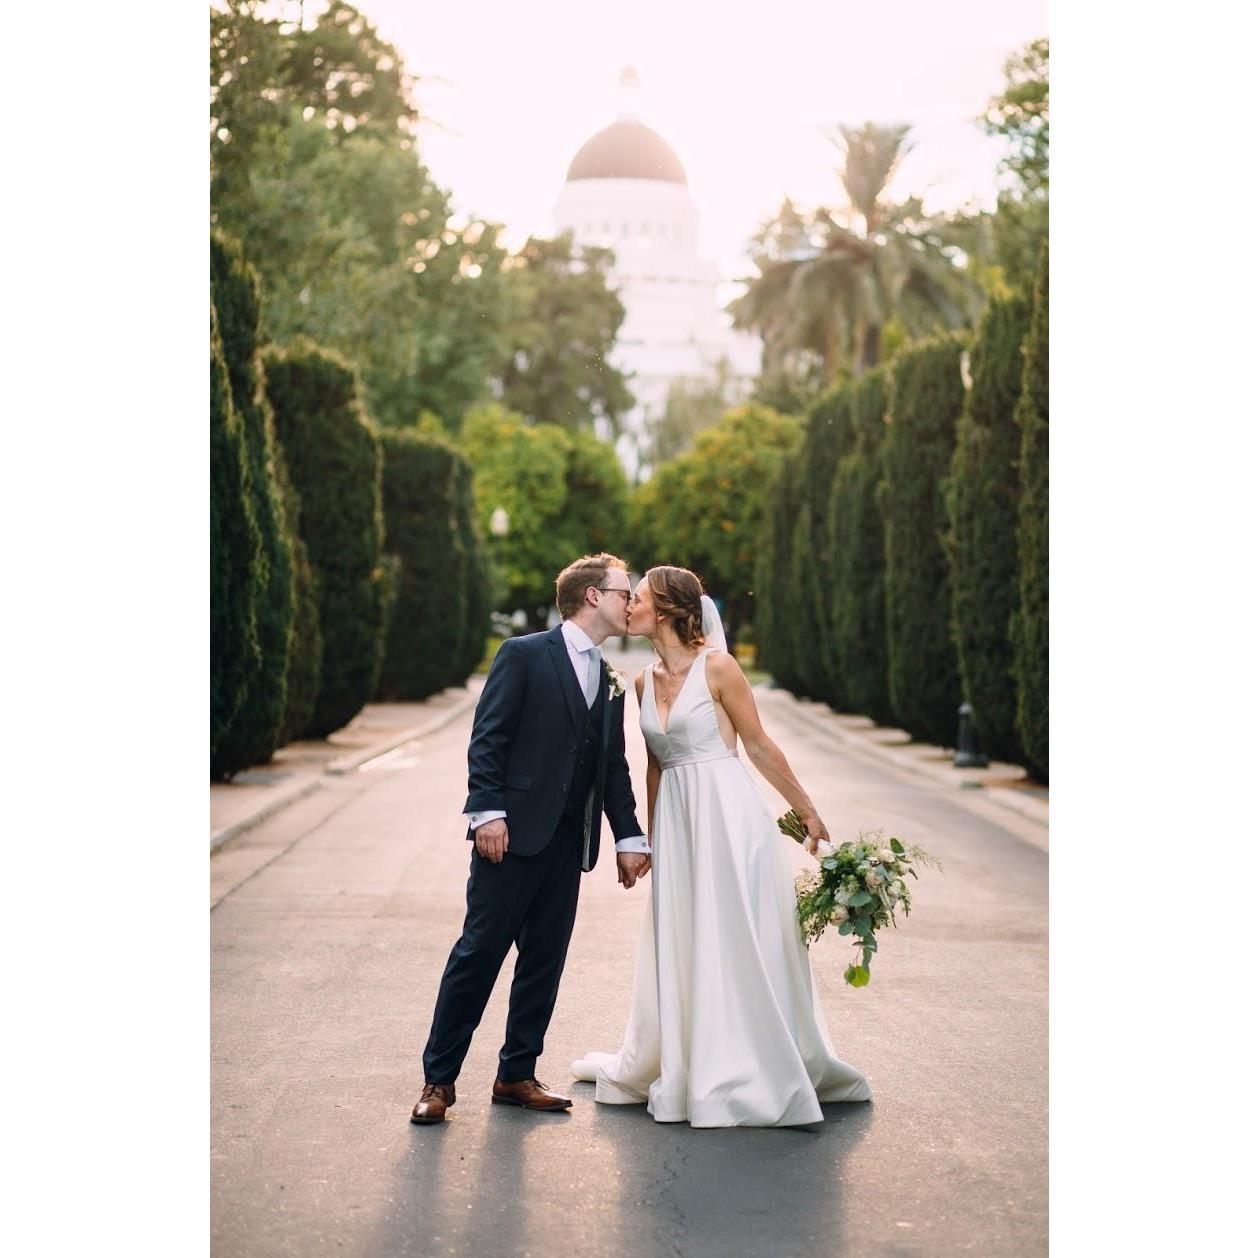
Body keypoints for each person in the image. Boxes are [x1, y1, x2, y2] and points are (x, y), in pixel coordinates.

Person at [571, 565, 872, 1127]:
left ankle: (748, 1061)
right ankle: (688, 1056)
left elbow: (757, 745)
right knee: (687, 937)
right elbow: (655, 767)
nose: (627, 605)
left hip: (731, 822)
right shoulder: (640, 681)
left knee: (738, 934)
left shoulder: (718, 667)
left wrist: (806, 809)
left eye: (635, 598)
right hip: (681, 832)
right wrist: (650, 841)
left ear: (663, 609)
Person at [411, 554, 650, 1125]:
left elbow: (611, 766)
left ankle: (517, 1073)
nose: (632, 600)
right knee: (477, 956)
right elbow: (488, 738)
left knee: (544, 961)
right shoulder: (523, 654)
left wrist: (629, 836)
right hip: (510, 837)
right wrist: (487, 813)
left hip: (569, 844)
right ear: (593, 596)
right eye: (625, 590)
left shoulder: (608, 677)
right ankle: (438, 1082)